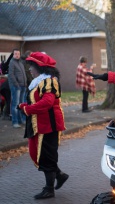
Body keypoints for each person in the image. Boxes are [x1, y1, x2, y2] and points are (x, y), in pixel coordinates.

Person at [18, 52, 69, 199]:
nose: (29, 70)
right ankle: (59, 175)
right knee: (38, 154)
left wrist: (27, 109)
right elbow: (37, 100)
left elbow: (47, 103)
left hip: (49, 124)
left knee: (46, 155)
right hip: (38, 123)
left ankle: (49, 189)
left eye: (31, 66)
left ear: (39, 67)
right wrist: (24, 105)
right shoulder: (39, 82)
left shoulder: (49, 81)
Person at [8, 49, 27, 128]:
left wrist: (25, 84)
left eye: (18, 54)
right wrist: (16, 84)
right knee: (15, 104)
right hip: (16, 86)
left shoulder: (21, 63)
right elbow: (11, 75)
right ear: (13, 54)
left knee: (21, 104)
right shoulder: (12, 63)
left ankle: (21, 120)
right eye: (15, 54)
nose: (17, 55)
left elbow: (23, 74)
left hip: (23, 86)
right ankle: (15, 122)